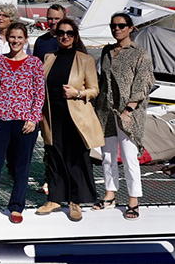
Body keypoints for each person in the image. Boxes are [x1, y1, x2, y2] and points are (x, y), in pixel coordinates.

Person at [0, 22, 45, 224]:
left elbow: (40, 93)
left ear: (26, 40)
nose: (15, 41)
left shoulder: (34, 63)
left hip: (25, 122)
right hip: (1, 119)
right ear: (7, 39)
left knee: (21, 165)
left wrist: (33, 118)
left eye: (19, 38)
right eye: (12, 37)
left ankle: (16, 205)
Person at [36, 18, 104, 222]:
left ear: (75, 36)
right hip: (52, 115)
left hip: (76, 117)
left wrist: (78, 92)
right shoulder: (49, 57)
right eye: (61, 33)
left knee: (75, 158)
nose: (65, 36)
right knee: (54, 155)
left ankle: (75, 201)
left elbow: (95, 90)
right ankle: (55, 199)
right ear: (56, 35)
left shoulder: (85, 59)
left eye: (69, 33)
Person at [93, 13, 154, 221]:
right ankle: (110, 196)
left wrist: (129, 110)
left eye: (121, 26)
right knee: (108, 155)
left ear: (130, 28)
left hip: (129, 113)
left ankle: (133, 200)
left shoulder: (140, 54)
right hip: (105, 110)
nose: (116, 29)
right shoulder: (107, 51)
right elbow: (103, 81)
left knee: (129, 157)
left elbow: (144, 83)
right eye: (113, 26)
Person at [32, 3, 66, 195]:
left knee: (60, 143)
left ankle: (60, 181)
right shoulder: (41, 41)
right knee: (47, 143)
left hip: (62, 101)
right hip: (42, 100)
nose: (52, 22)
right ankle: (49, 180)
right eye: (50, 18)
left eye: (56, 19)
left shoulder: (70, 40)